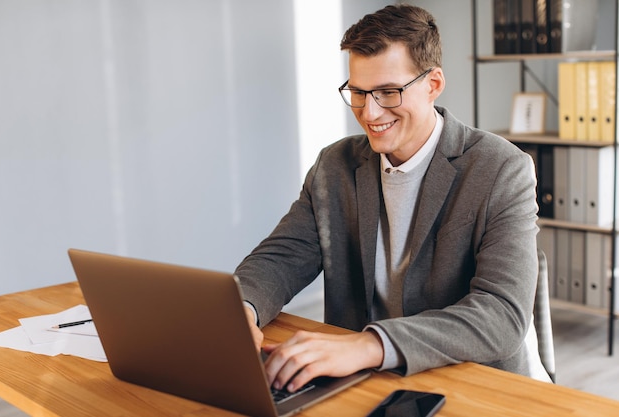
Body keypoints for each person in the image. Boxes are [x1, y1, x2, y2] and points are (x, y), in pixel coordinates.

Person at [235, 4, 551, 393]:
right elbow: (281, 258)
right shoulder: (334, 166)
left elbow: (501, 315)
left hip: (470, 383)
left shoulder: (501, 169)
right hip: (366, 381)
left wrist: (371, 344)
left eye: (387, 92)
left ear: (433, 84)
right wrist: (241, 311)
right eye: (357, 92)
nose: (369, 113)